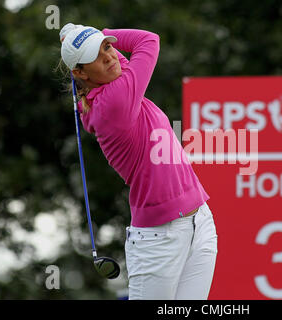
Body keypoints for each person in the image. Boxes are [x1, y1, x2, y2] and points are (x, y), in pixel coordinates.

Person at [58, 23, 218, 300]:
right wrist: (103, 31)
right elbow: (148, 40)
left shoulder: (112, 81)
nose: (109, 56)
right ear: (80, 73)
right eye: (95, 56)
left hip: (200, 222)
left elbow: (115, 60)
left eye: (107, 47)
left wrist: (91, 38)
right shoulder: (114, 101)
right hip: (159, 240)